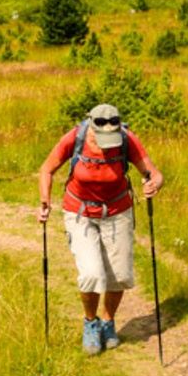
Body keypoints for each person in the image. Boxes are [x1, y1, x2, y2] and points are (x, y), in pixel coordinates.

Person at [37, 103, 164, 355]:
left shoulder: (127, 139)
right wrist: (45, 201)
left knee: (120, 275)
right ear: (92, 127)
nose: (109, 143)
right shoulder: (75, 137)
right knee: (92, 273)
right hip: (80, 212)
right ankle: (90, 322)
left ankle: (108, 321)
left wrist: (154, 183)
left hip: (118, 212)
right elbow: (46, 169)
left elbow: (153, 172)